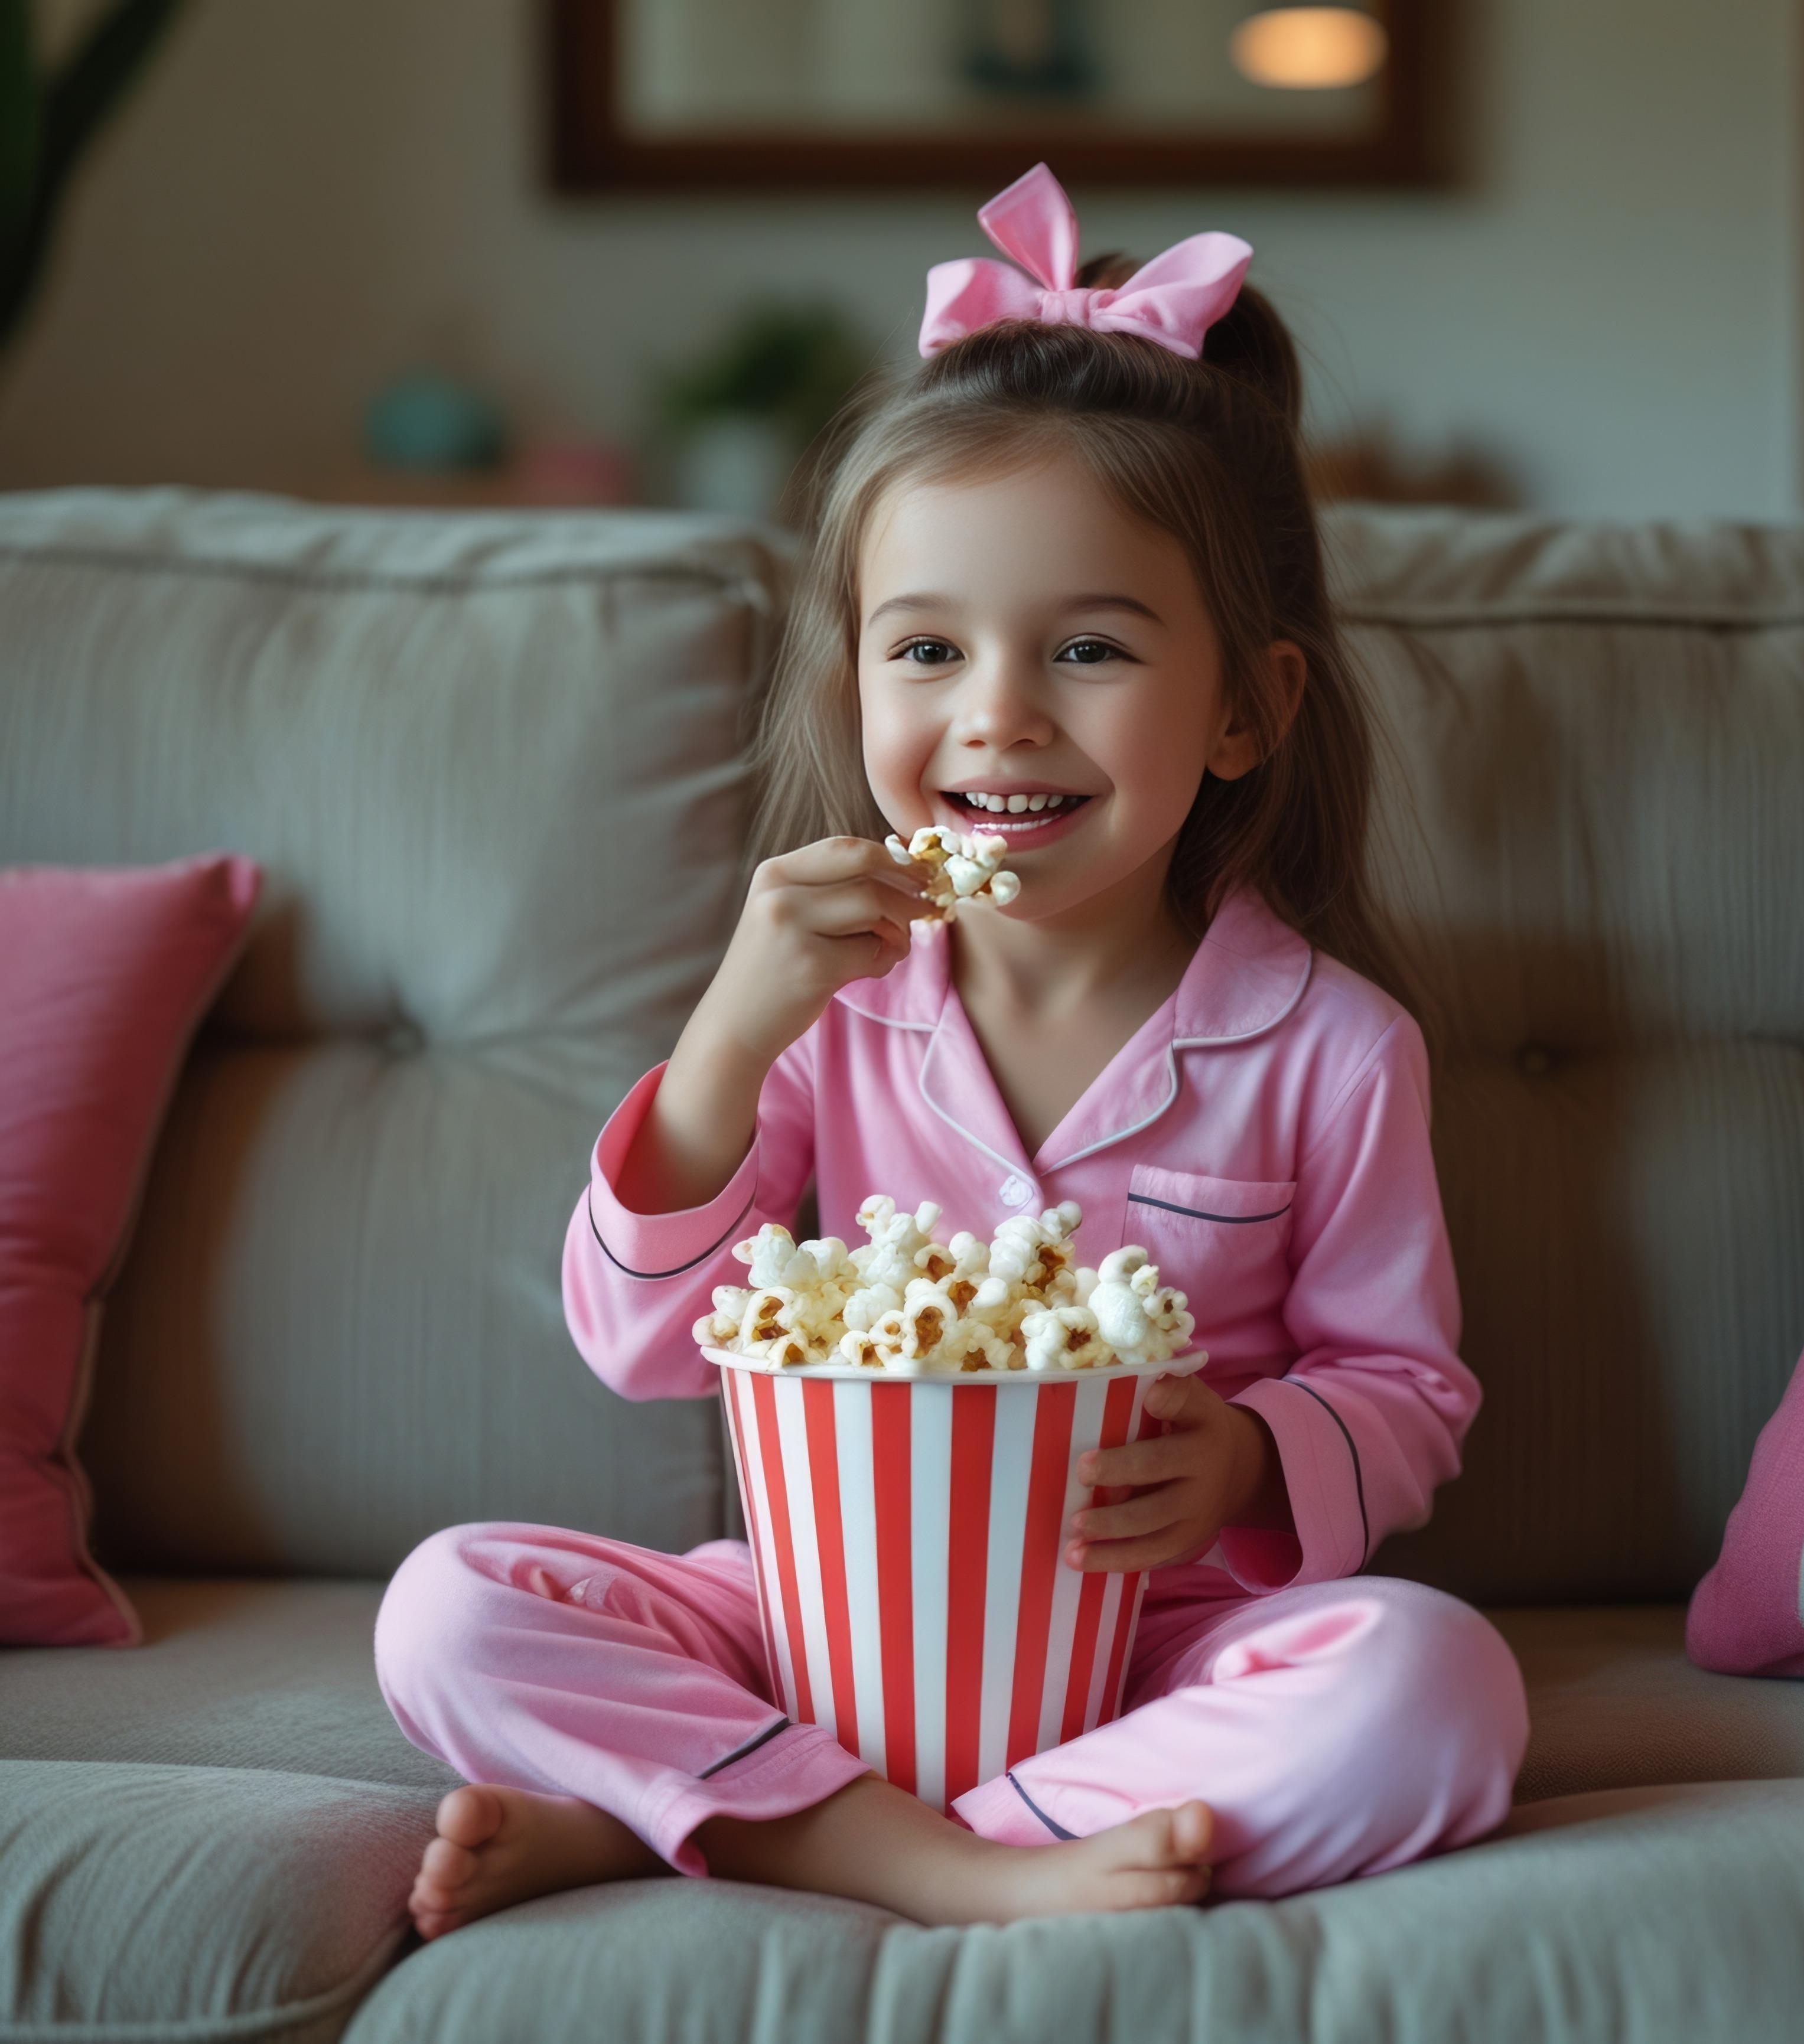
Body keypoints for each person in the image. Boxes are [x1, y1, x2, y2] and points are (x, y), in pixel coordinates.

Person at [375, 163, 1528, 1940]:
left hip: (1159, 1648)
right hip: (828, 1622)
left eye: (1087, 647)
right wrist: (727, 1032)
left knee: (1436, 1689)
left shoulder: (1333, 1046)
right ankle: (939, 1859)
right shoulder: (825, 1010)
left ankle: (741, 1822)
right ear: (855, 695)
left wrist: (1243, 1457)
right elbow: (640, 1344)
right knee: (446, 1607)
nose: (998, 710)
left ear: (1246, 708)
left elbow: (1406, 1390)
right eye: (927, 648)